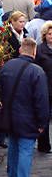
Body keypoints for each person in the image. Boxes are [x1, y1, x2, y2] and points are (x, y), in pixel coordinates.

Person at [0, 38, 49, 177]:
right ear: (34, 52)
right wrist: (42, 122)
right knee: (25, 151)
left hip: (10, 116)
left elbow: (0, 90)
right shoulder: (37, 71)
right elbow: (41, 100)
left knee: (13, 146)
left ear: (20, 49)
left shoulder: (7, 66)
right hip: (28, 119)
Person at [35, 22, 52, 153]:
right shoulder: (40, 49)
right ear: (45, 35)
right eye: (49, 34)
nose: (51, 36)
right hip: (46, 88)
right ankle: (44, 145)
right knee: (44, 117)